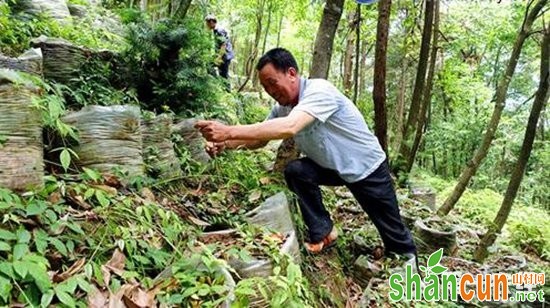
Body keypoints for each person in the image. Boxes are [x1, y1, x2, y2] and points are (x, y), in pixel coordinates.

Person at [195, 48, 417, 262]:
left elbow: (290, 127)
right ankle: (324, 233)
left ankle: (407, 268)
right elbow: (259, 139)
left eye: (272, 83)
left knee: (394, 234)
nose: (270, 91)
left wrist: (229, 130)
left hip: (365, 167)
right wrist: (226, 143)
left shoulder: (319, 90)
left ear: (291, 73)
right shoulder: (282, 107)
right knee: (297, 171)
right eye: (265, 87)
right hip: (332, 167)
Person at [205, 14, 234, 80]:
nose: (207, 25)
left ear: (211, 22)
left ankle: (226, 89)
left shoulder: (219, 31)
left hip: (225, 56)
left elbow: (223, 45)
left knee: (223, 75)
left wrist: (218, 58)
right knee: (209, 65)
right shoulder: (215, 31)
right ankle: (218, 82)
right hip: (222, 55)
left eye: (207, 23)